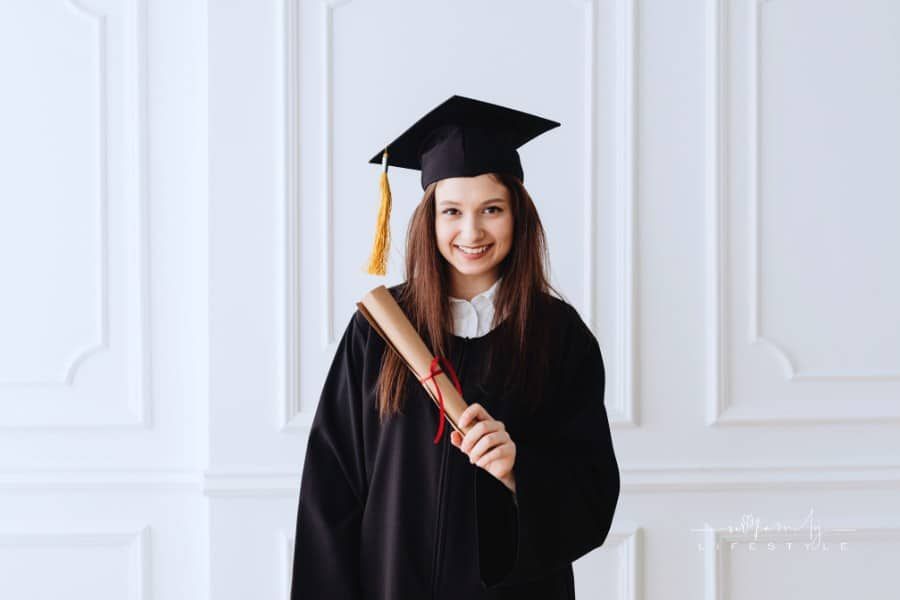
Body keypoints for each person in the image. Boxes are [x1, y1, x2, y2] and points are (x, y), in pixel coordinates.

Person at [289, 95, 621, 600]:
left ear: (518, 216)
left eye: (492, 209)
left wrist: (518, 470)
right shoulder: (380, 332)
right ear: (430, 220)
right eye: (452, 211)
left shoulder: (559, 336)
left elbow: (592, 494)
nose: (471, 231)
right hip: (391, 584)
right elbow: (331, 491)